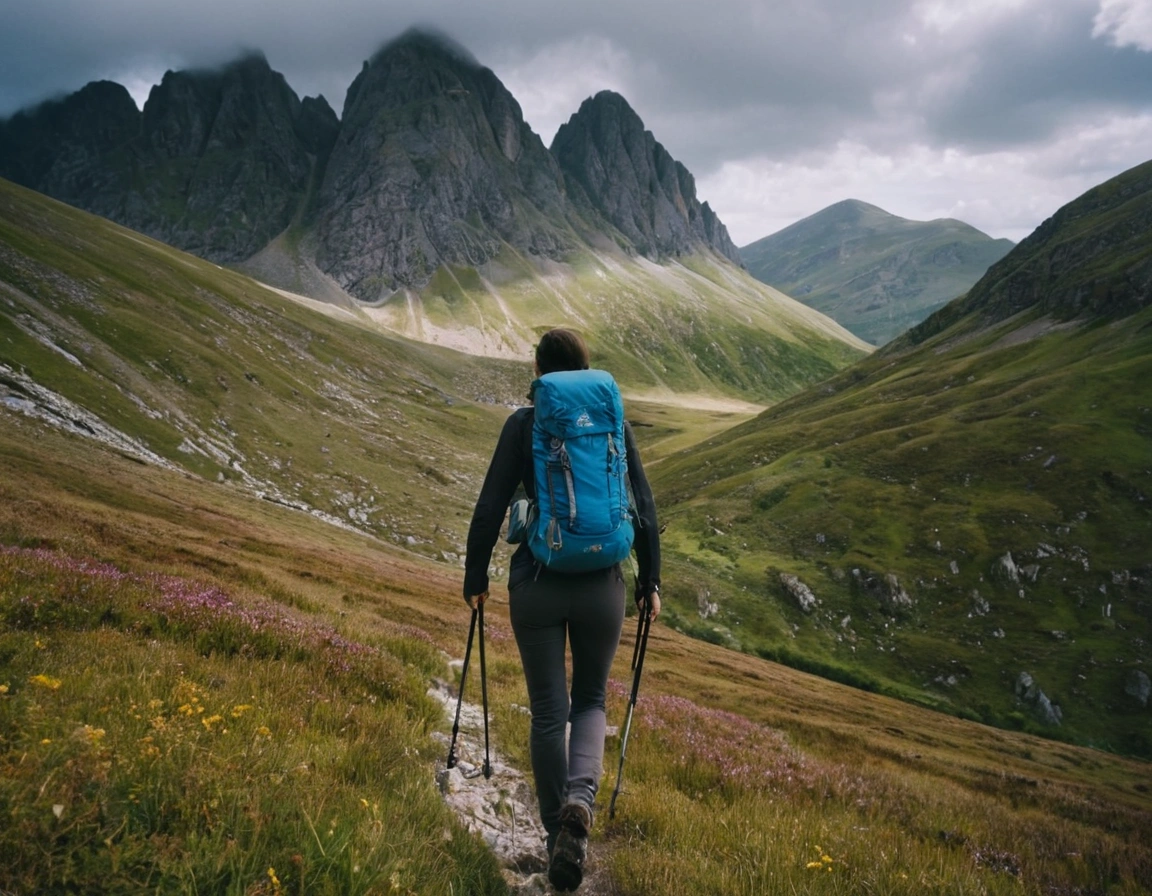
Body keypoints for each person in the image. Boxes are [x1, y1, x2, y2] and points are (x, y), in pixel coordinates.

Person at [463, 328, 661, 892]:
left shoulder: (525, 423)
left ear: (538, 370)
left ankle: (557, 839)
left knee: (550, 711)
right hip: (604, 584)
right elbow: (642, 502)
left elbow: (490, 505)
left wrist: (474, 578)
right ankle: (581, 801)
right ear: (585, 368)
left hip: (539, 581)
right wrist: (651, 580)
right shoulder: (610, 418)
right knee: (592, 699)